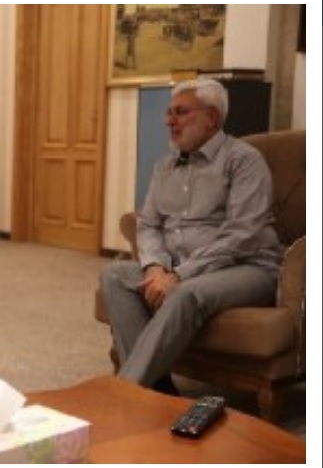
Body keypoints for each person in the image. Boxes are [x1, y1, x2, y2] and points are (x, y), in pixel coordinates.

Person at [99, 79, 283, 395]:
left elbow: (242, 234)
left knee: (184, 293)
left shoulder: (244, 160)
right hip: (180, 267)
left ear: (212, 118)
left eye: (181, 112)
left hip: (247, 266)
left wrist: (179, 275)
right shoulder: (165, 165)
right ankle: (157, 390)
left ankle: (125, 393)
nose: (169, 121)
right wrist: (155, 267)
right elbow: (148, 224)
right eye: (169, 112)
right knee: (115, 275)